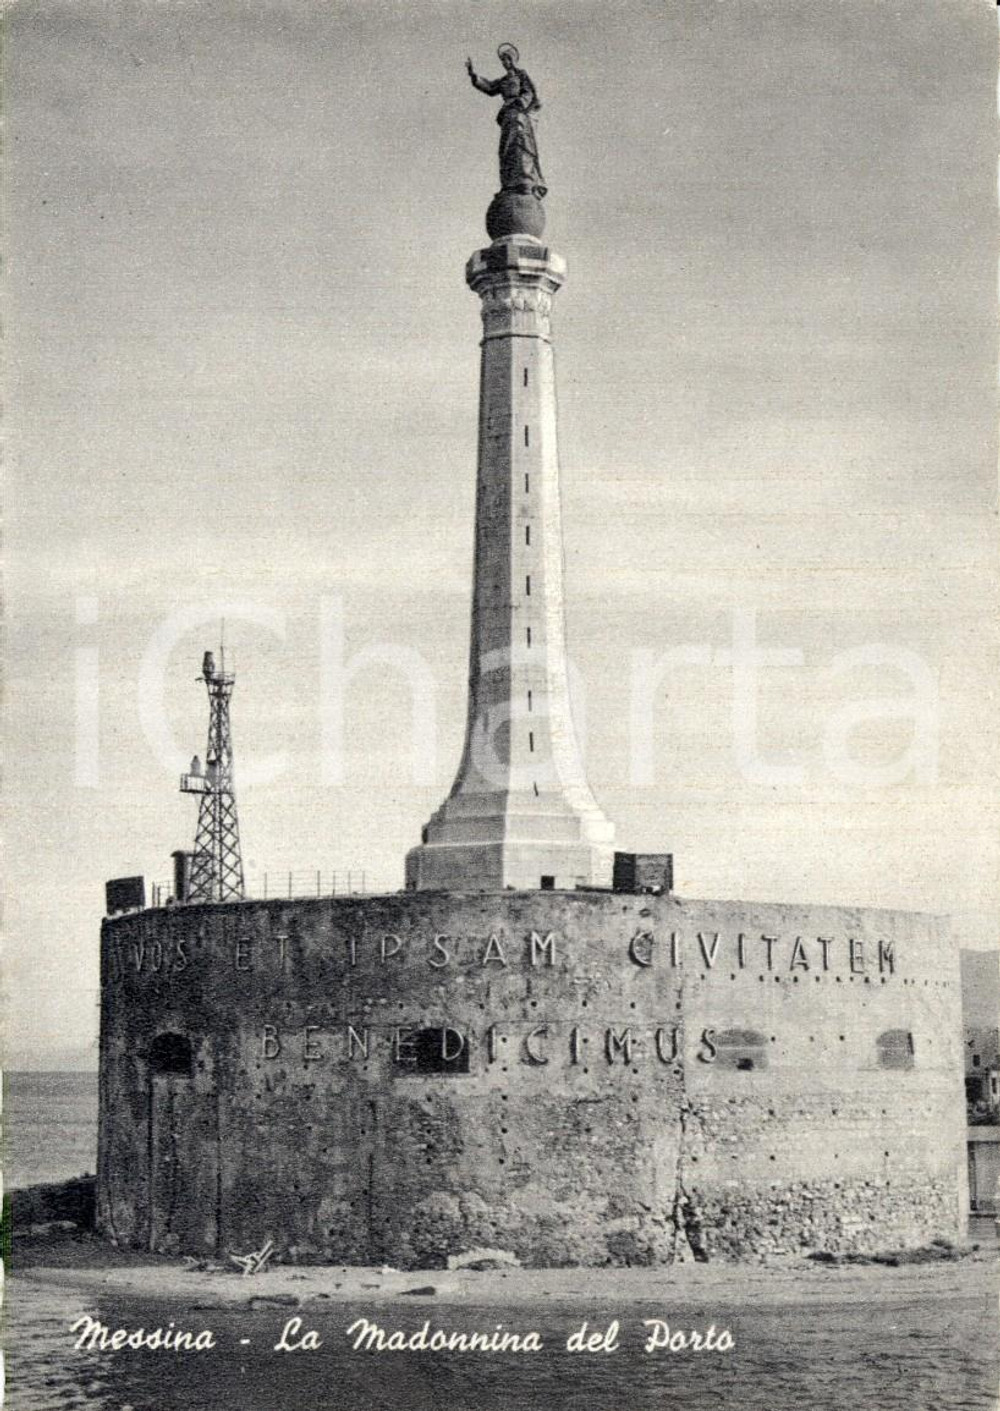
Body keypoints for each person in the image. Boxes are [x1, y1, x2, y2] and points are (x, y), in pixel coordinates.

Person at [466, 44, 547, 199]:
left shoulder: (521, 75)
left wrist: (520, 102)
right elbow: (490, 88)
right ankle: (509, 184)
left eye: (507, 59)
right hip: (507, 117)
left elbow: (530, 92)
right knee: (506, 150)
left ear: (513, 60)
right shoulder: (503, 80)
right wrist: (473, 75)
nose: (505, 63)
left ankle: (525, 181)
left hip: (520, 115)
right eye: (503, 60)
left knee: (521, 147)